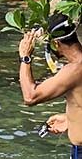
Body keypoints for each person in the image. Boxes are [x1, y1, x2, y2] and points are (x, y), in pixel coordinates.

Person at [18, 13, 82, 156]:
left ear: (56, 43)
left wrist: (25, 57)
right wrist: (71, 119)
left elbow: (30, 96)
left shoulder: (74, 70)